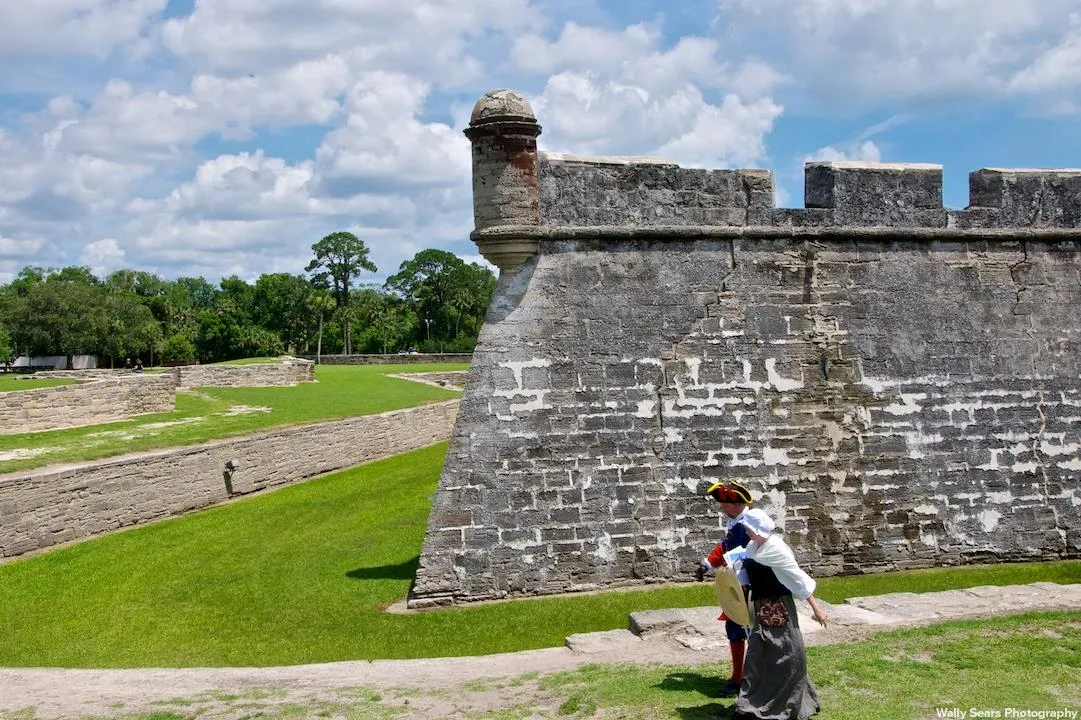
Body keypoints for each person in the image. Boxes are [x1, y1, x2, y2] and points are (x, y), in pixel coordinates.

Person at [731, 507, 829, 720]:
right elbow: (746, 572)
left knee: (790, 656)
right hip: (759, 607)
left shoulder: (776, 548)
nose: (746, 532)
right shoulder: (751, 547)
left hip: (779, 608)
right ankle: (749, 705)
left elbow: (797, 578)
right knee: (758, 655)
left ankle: (792, 703)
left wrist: (817, 609)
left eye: (749, 528)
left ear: (759, 529)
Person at [695, 480, 755, 695]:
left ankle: (750, 679)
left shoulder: (749, 524)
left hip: (750, 586)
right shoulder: (737, 523)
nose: (722, 508)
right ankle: (738, 677)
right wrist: (707, 563)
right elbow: (725, 547)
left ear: (737, 504)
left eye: (725, 504)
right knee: (735, 629)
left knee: (751, 632)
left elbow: (745, 553)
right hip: (738, 585)